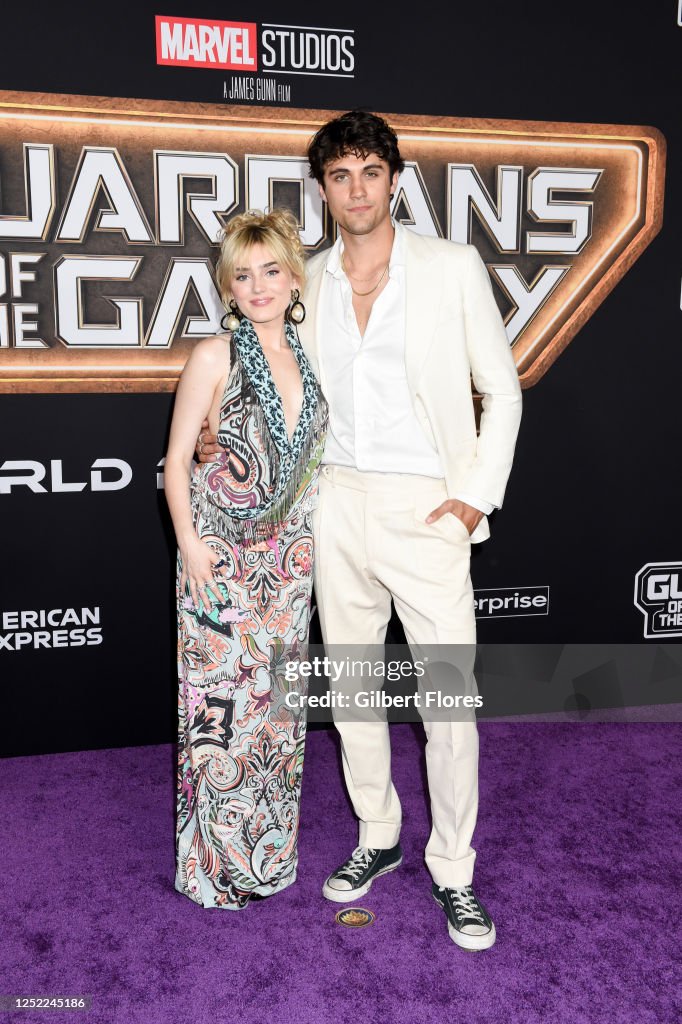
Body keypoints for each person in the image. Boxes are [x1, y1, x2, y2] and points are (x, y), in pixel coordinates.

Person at [198, 110, 522, 949]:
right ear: (322, 189)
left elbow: (504, 388)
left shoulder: (450, 268)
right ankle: (377, 835)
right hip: (333, 503)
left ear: (395, 180)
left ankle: (455, 871)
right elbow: (260, 372)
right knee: (352, 693)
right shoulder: (304, 280)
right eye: (339, 176)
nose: (356, 190)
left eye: (370, 173)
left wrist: (475, 497)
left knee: (448, 706)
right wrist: (210, 431)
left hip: (427, 509)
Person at [165, 208, 328, 910]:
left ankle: (267, 853)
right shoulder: (213, 354)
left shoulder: (312, 353)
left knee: (280, 721)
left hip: (290, 566)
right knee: (221, 715)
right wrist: (191, 546)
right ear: (227, 287)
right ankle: (213, 864)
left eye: (270, 270)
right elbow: (175, 462)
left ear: (293, 277)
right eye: (242, 274)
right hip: (220, 561)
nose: (258, 286)